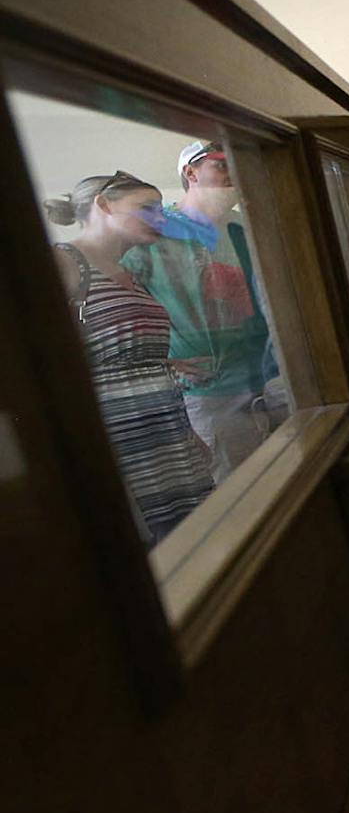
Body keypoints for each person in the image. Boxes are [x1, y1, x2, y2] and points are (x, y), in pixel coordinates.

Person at [47, 172, 215, 543]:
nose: (160, 218)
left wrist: (160, 367)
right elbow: (46, 359)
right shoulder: (63, 262)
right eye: (147, 208)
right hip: (118, 444)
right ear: (103, 205)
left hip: (168, 438)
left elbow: (106, 342)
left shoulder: (127, 272)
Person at [122, 139, 286, 479]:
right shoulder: (153, 233)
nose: (234, 174)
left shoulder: (250, 227)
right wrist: (159, 363)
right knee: (239, 493)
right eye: (221, 164)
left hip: (276, 378)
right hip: (213, 394)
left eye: (238, 164)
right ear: (190, 171)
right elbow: (117, 311)